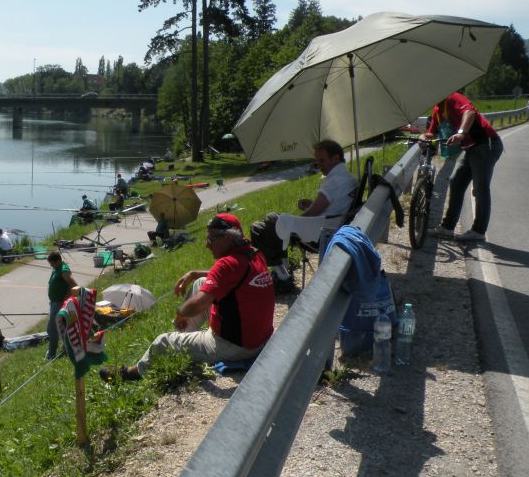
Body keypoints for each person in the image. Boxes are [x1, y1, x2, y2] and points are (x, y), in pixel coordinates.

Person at [101, 214, 274, 381]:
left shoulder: (226, 264)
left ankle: (132, 373)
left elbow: (199, 304)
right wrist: (194, 273)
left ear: (227, 239)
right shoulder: (254, 254)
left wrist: (181, 312)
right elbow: (233, 276)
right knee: (201, 282)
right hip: (258, 338)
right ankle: (183, 337)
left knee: (163, 341)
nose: (207, 245)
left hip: (235, 346)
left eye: (211, 238)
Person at [250, 139, 358, 291]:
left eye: (322, 160)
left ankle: (282, 274)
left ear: (336, 158)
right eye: (317, 161)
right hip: (334, 225)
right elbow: (329, 205)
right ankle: (283, 270)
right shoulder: (349, 178)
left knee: (260, 226)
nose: (319, 165)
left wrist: (296, 221)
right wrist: (311, 205)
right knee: (272, 220)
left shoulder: (333, 181)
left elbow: (315, 211)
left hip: (321, 233)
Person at [425, 92, 503, 241]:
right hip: (471, 148)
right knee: (456, 182)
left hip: (486, 144)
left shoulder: (451, 97)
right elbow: (431, 134)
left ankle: (478, 231)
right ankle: (447, 228)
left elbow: (469, 112)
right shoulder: (437, 110)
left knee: (480, 187)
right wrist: (422, 138)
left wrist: (461, 133)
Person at [45, 251, 78, 360]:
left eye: (52, 263)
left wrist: (65, 298)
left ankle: (51, 353)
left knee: (52, 329)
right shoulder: (57, 269)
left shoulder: (63, 270)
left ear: (58, 260)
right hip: (54, 303)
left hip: (59, 303)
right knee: (63, 327)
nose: (51, 266)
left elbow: (73, 284)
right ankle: (67, 348)